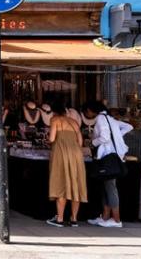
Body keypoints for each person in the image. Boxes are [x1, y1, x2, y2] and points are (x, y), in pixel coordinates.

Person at [82, 100, 133, 228]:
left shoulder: (100, 118)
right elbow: (128, 127)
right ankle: (105, 217)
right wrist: (117, 137)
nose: (87, 113)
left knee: (110, 188)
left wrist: (92, 143)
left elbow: (104, 137)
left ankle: (116, 220)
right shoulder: (109, 118)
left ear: (91, 109)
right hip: (114, 156)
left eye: (87, 111)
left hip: (107, 157)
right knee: (106, 187)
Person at [46, 97, 86, 227]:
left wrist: (47, 140)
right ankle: (74, 219)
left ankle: (60, 219)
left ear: (53, 111)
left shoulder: (55, 120)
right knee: (76, 184)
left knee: (61, 183)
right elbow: (80, 142)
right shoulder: (74, 122)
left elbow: (52, 139)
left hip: (61, 153)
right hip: (76, 155)